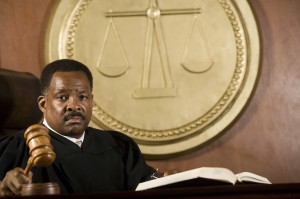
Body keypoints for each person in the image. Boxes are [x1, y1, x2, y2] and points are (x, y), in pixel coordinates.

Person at [0, 59, 157, 196]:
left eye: (82, 97)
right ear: (43, 104)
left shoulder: (119, 146)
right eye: (62, 97)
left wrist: (169, 179)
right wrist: (3, 190)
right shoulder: (12, 150)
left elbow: (148, 186)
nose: (74, 106)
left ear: (91, 101)